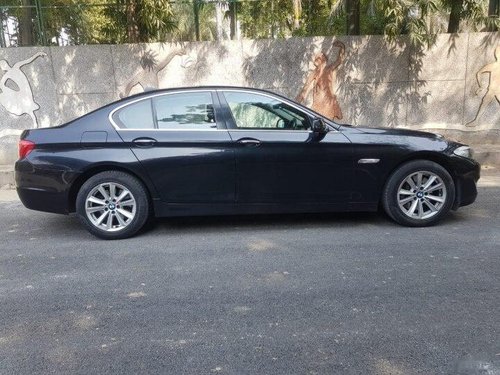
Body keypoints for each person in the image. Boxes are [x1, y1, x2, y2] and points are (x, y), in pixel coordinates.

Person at [296, 41, 345, 121]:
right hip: (318, 103)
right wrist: (296, 103)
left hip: (328, 103)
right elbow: (305, 89)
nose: (320, 60)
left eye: (321, 58)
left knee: (329, 125)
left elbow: (339, 60)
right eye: (318, 58)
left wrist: (342, 47)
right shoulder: (315, 72)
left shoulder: (329, 69)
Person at [0, 52, 46, 135]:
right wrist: (7, 90)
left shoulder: (16, 66)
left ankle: (34, 122)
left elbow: (28, 60)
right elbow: (1, 85)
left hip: (25, 89)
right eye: (2, 66)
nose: (4, 67)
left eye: (4, 65)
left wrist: (38, 54)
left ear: (6, 64)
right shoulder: (6, 75)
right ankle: (35, 123)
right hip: (21, 91)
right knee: (25, 105)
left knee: (28, 104)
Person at [120, 47, 186, 98]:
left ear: (143, 64)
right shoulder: (153, 70)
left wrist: (125, 95)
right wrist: (174, 52)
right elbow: (165, 61)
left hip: (152, 97)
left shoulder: (143, 74)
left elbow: (130, 84)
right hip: (153, 97)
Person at [466, 46, 500, 127]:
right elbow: (479, 73)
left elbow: (479, 73)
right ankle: (476, 121)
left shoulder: (493, 65)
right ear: (497, 55)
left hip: (497, 90)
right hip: (491, 90)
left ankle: (476, 121)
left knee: (484, 103)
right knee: (484, 103)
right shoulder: (493, 65)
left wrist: (481, 86)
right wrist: (480, 86)